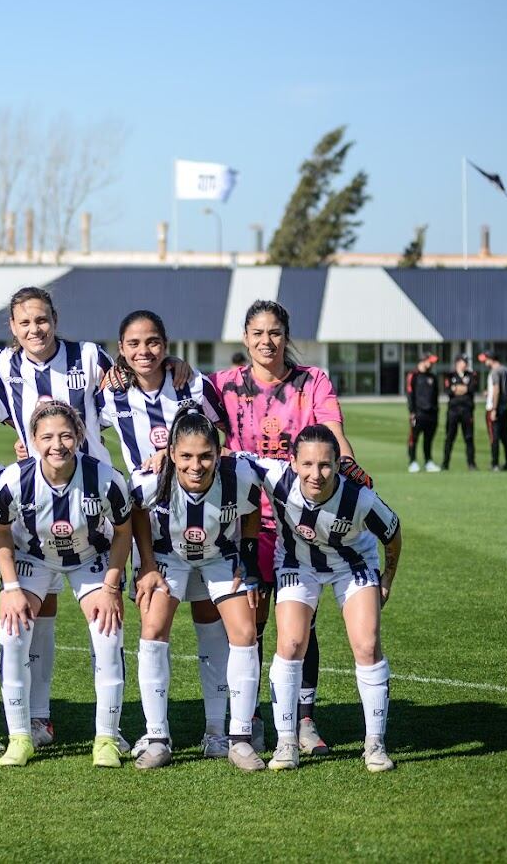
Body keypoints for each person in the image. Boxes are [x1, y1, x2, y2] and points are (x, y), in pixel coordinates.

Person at [210, 299, 370, 756]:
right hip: (248, 520)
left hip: (303, 520)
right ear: (245, 338)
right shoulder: (224, 384)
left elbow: (334, 431)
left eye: (275, 332)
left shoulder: (312, 381)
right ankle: (256, 715)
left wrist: (348, 463)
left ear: (286, 336)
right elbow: (183, 410)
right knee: (253, 621)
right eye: (258, 333)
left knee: (302, 622)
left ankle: (303, 720)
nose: (267, 341)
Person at [97, 310, 234, 760]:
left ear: (166, 343)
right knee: (154, 629)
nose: (144, 351)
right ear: (120, 349)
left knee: (211, 630)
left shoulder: (191, 384)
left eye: (153, 342)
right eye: (133, 344)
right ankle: (158, 735)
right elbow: (72, 427)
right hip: (154, 532)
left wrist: (179, 457)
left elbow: (226, 435)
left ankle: (218, 731)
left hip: (209, 525)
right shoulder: (109, 393)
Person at [247, 425, 402, 773]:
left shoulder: (359, 498)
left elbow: (392, 534)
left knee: (366, 645)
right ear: (293, 462)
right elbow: (231, 460)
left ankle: (375, 745)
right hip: (298, 563)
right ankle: (286, 744)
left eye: (325, 465)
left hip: (353, 564)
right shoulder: (276, 477)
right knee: (290, 643)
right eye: (308, 465)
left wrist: (387, 580)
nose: (316, 474)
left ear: (339, 463)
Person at [0, 401, 134, 768]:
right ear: (34, 441)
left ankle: (106, 737)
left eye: (66, 435)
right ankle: (20, 736)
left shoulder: (105, 478)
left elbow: (122, 532)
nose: (58, 444)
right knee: (13, 633)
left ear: (80, 436)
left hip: (90, 558)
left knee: (108, 634)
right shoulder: (13, 480)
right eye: (48, 436)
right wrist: (10, 589)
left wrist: (111, 587)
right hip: (34, 557)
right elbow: (1, 532)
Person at [130, 410, 266, 771]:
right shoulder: (151, 479)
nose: (196, 465)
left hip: (219, 556)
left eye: (205, 455)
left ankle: (233, 738)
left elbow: (252, 509)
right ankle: (158, 737)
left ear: (218, 453)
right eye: (187, 456)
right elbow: (134, 512)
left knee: (245, 632)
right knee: (153, 629)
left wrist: (249, 558)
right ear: (172, 453)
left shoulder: (238, 476)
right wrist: (145, 564)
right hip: (166, 556)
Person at [441, 354, 478, 470]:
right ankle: (445, 463)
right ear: (457, 362)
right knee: (449, 437)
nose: (466, 364)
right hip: (453, 411)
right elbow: (449, 391)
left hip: (467, 411)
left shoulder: (471, 375)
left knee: (469, 437)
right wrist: (460, 389)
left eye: (467, 362)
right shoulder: (450, 375)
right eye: (463, 362)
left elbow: (471, 389)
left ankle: (471, 463)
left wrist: (458, 388)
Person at [406, 354, 440, 472]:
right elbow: (410, 394)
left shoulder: (433, 377)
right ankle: (412, 461)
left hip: (431, 414)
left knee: (428, 439)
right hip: (418, 413)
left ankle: (428, 461)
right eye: (429, 361)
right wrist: (412, 411)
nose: (431, 364)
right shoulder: (413, 376)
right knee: (413, 438)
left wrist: (436, 411)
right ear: (423, 361)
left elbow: (436, 396)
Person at [481, 351, 507, 471]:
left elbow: (497, 389)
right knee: (505, 436)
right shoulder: (505, 370)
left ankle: (494, 464)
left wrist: (494, 408)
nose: (485, 362)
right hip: (504, 407)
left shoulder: (494, 372)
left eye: (486, 359)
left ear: (491, 359)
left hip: (494, 408)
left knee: (494, 437)